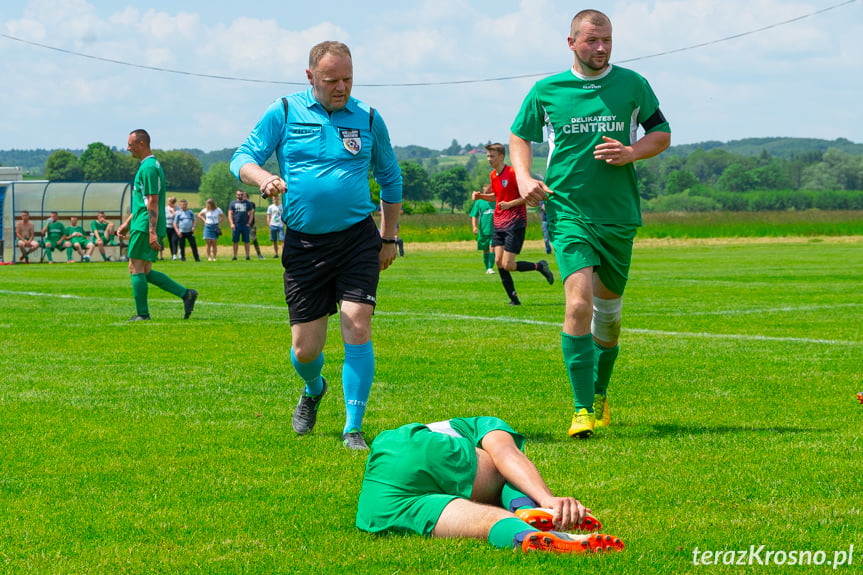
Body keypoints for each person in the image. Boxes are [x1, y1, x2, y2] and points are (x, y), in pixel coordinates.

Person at [231, 40, 403, 450]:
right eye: (331, 80)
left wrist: (389, 237)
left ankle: (353, 427)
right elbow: (242, 157)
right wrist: (263, 178)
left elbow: (391, 179)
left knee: (357, 324)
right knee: (305, 350)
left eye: (347, 78)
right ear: (310, 77)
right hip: (305, 245)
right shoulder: (285, 111)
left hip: (357, 238)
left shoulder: (369, 117)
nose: (341, 87)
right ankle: (313, 388)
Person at [509, 9, 671, 438]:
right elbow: (519, 136)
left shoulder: (633, 85)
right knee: (578, 304)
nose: (600, 48)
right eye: (591, 41)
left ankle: (600, 393)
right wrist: (525, 177)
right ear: (571, 43)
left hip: (618, 215)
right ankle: (581, 409)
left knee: (609, 314)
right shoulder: (547, 90)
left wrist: (632, 152)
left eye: (607, 41)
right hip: (567, 211)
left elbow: (662, 133)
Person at [356, 416, 624, 554]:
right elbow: (507, 455)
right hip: (418, 450)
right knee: (501, 471)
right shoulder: (485, 425)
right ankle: (526, 507)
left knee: (485, 521)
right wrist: (546, 498)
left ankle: (523, 534)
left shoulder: (439, 428)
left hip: (378, 503)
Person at [116, 129, 198, 321]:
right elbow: (145, 201)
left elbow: (153, 201)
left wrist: (151, 231)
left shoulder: (148, 168)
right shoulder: (151, 166)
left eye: (131, 144)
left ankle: (142, 314)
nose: (128, 148)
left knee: (135, 267)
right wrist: (127, 223)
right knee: (145, 271)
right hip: (142, 223)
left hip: (145, 226)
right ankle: (186, 294)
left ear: (142, 144)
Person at [471, 143, 554, 305]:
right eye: (488, 156)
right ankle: (514, 299)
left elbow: (527, 196)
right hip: (499, 222)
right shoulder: (493, 175)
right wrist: (481, 196)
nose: (489, 159)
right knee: (498, 262)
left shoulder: (513, 173)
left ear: (501, 156)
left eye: (492, 156)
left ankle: (540, 266)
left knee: (508, 265)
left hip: (515, 222)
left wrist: (510, 204)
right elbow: (497, 196)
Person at [469, 184, 496, 274]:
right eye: (484, 192)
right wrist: (474, 226)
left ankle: (490, 267)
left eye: (487, 192)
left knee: (492, 247)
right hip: (484, 230)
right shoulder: (479, 202)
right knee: (485, 249)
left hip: (495, 229)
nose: (485, 194)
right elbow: (474, 215)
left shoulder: (496, 201)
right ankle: (487, 268)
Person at [228, 189, 255, 261]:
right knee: (235, 241)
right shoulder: (233, 203)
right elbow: (230, 214)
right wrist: (231, 223)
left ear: (243, 195)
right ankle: (235, 256)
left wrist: (249, 222)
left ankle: (247, 256)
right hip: (236, 225)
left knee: (246, 241)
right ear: (236, 195)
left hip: (245, 225)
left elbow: (251, 213)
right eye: (238, 194)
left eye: (241, 194)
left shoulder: (248, 203)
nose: (240, 196)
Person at [243, 191, 265, 259]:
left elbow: (251, 212)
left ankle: (259, 254)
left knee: (254, 239)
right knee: (244, 240)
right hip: (242, 224)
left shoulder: (251, 204)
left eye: (244, 196)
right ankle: (247, 256)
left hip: (251, 225)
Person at [266, 193, 284, 258]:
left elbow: (284, 215)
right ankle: (276, 254)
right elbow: (268, 216)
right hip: (273, 225)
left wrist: (284, 223)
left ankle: (283, 254)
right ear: (272, 199)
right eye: (274, 199)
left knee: (282, 239)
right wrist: (269, 224)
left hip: (280, 225)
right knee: (274, 240)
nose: (275, 200)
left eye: (276, 198)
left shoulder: (282, 206)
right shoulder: (270, 207)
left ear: (278, 199)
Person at [165, 196, 180, 260]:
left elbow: (177, 217)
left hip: (175, 227)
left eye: (169, 202)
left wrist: (173, 211)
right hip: (167, 227)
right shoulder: (165, 208)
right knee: (170, 241)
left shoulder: (178, 209)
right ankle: (172, 254)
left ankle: (174, 254)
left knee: (174, 241)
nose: (168, 203)